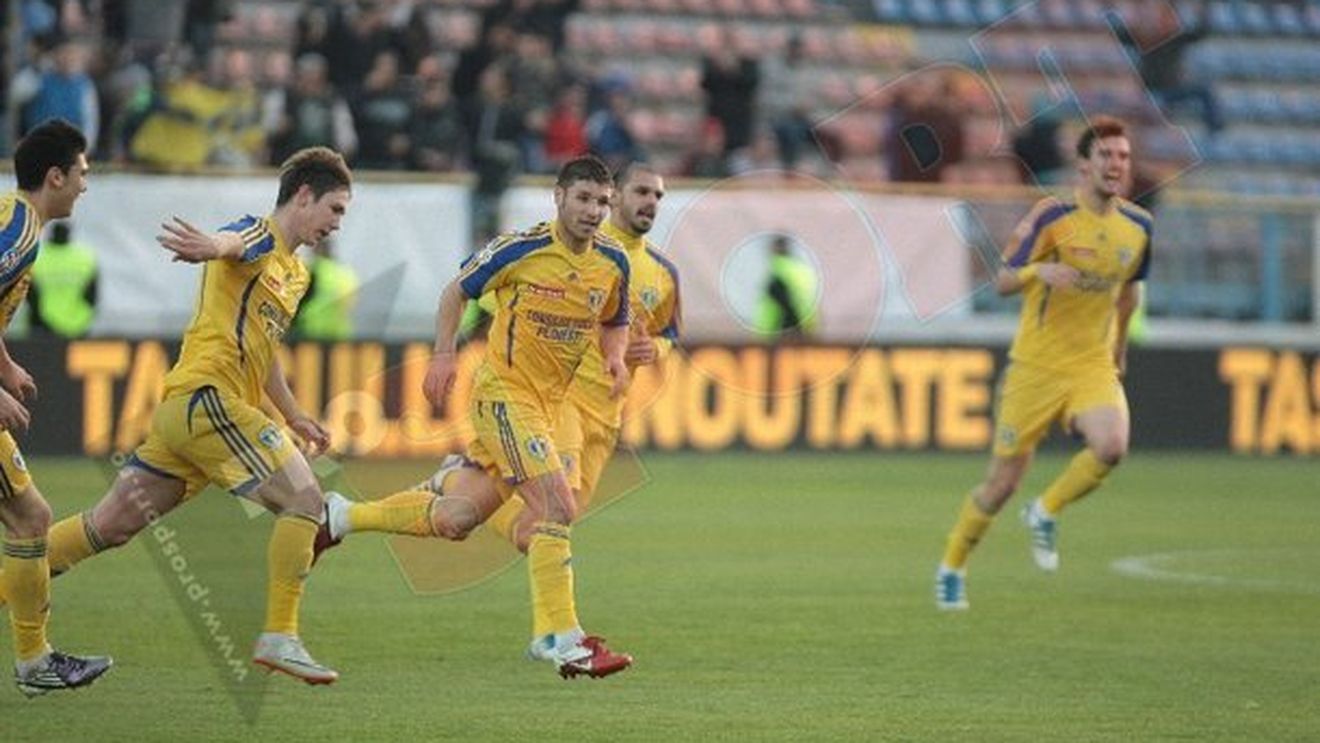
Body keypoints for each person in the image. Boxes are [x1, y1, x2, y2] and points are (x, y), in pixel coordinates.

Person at [0, 147, 352, 684]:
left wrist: (294, 412)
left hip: (187, 417)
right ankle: (281, 635)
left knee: (108, 526)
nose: (336, 224)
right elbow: (235, 242)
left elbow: (266, 349)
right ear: (304, 196)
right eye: (336, 209)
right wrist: (211, 246)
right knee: (305, 499)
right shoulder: (259, 234)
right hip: (208, 402)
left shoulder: (295, 274)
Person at [321, 155, 635, 679]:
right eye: (583, 199)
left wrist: (616, 355)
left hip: (547, 406)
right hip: (503, 397)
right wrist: (444, 353)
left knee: (455, 520)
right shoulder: (522, 248)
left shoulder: (612, 261)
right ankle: (559, 637)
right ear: (559, 198)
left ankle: (342, 516)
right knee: (557, 506)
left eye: (602, 202)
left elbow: (616, 318)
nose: (593, 211)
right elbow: (456, 291)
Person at [935, 116, 1151, 610]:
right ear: (1083, 166)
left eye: (1123, 156)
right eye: (1106, 156)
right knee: (1000, 484)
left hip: (1091, 365)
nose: (1116, 164)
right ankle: (952, 566)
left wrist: (1118, 351)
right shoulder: (1051, 217)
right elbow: (1003, 280)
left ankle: (1046, 509)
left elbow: (1130, 294)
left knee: (1112, 445)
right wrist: (1040, 270)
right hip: (1034, 368)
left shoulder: (1139, 226)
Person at [0, 119, 112, 696]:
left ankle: (34, 659)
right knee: (30, 518)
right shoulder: (17, 234)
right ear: (55, 176)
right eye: (82, 174)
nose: (84, 187)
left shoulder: (17, 221)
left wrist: (4, 365)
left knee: (31, 517)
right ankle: (33, 661)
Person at [29, 220, 98, 338]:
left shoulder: (37, 257)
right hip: (79, 323)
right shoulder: (85, 259)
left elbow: (29, 294)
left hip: (42, 324)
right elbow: (92, 295)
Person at [293, 238, 358, 341]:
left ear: (316, 251)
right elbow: (351, 302)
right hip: (340, 334)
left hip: (312, 332)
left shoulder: (312, 271)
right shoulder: (346, 273)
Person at [754, 234, 818, 340]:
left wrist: (763, 336)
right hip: (804, 332)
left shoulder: (778, 273)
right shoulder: (803, 271)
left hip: (781, 334)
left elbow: (781, 308)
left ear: (774, 249)